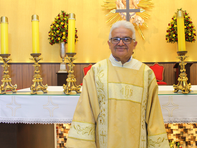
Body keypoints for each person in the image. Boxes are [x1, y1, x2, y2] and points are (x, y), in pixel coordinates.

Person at [66, 20, 169, 148]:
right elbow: (85, 113)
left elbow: (154, 117)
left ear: (134, 44)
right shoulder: (96, 73)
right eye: (116, 39)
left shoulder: (146, 74)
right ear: (109, 43)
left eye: (126, 39)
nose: (121, 43)